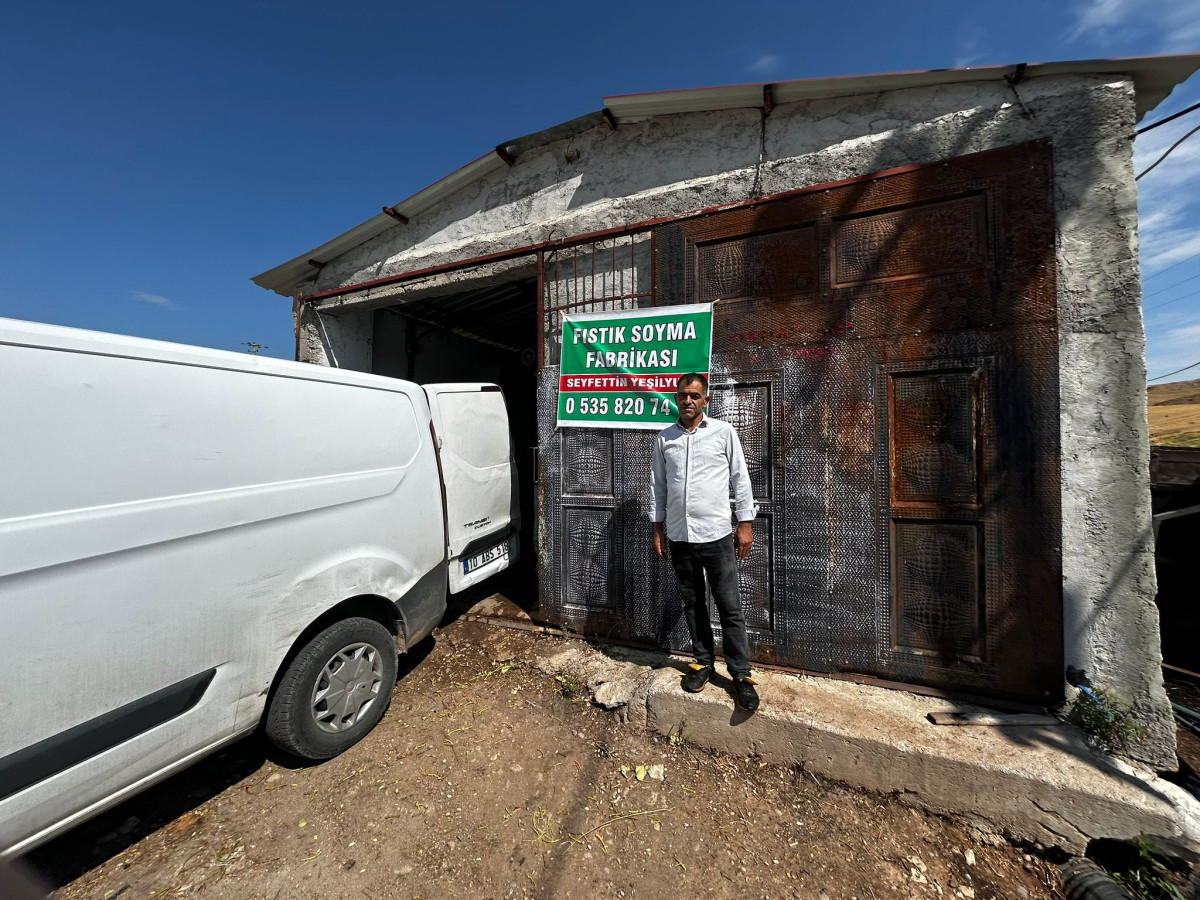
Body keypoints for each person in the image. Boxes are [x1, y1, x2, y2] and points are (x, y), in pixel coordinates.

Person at [650, 373, 760, 712]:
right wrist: (658, 528)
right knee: (693, 603)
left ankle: (741, 674)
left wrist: (745, 524)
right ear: (676, 398)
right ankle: (702, 661)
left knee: (729, 605)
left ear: (705, 400)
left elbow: (740, 478)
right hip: (680, 536)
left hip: (716, 536)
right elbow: (658, 486)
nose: (688, 401)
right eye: (683, 395)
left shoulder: (723, 433)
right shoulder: (664, 439)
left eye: (694, 396)